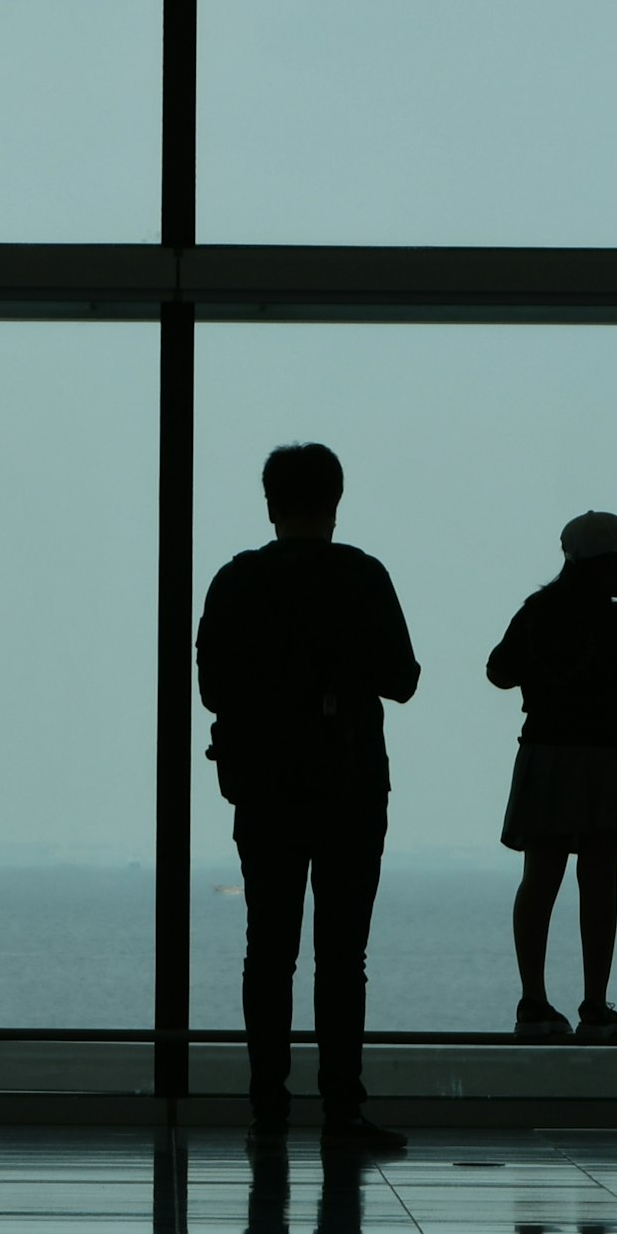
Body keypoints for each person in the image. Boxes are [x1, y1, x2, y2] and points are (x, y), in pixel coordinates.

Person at [197, 442, 422, 1153]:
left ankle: (267, 1107)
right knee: (341, 955)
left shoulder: (236, 581)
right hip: (351, 784)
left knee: (268, 950)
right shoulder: (361, 576)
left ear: (270, 505)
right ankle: (341, 1111)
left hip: (264, 788)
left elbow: (210, 688)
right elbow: (403, 679)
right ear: (335, 502)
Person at [487, 511, 617, 1042]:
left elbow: (498, 671)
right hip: (607, 760)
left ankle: (533, 1003)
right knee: (598, 880)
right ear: (602, 566)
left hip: (545, 756)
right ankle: (595, 1007)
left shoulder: (534, 613)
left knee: (540, 878)